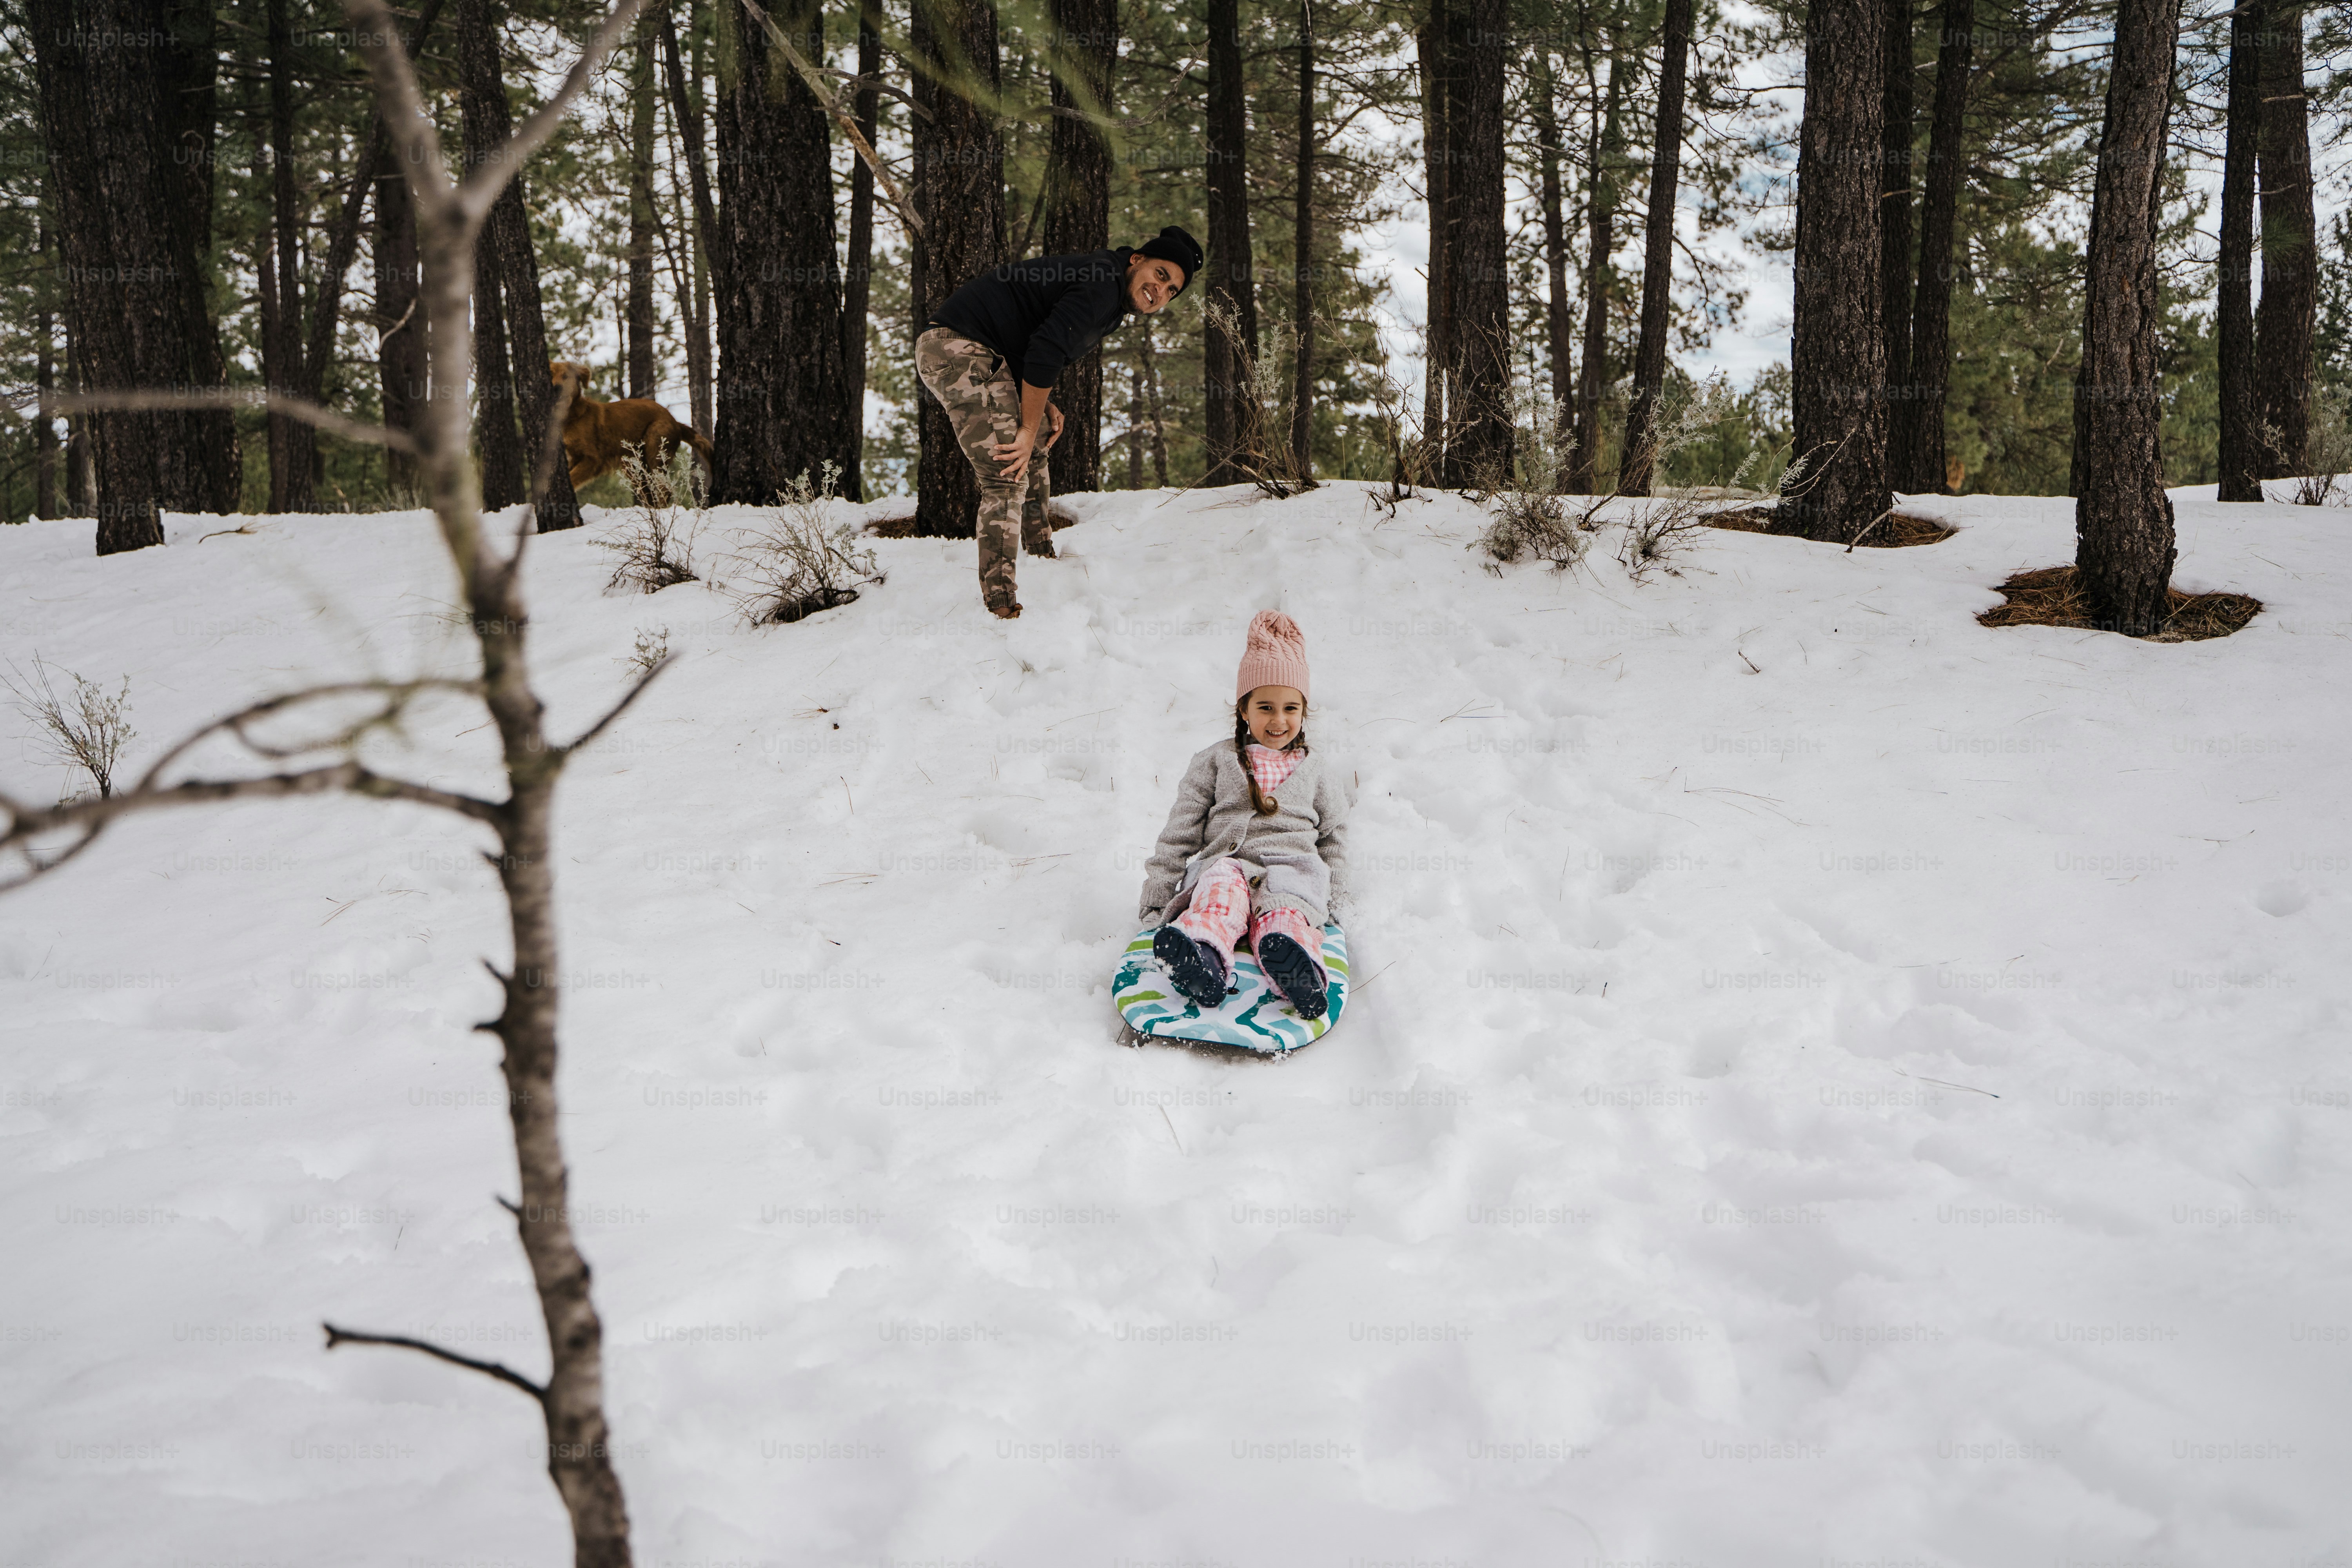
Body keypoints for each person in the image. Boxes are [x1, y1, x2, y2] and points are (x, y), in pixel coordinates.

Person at [915, 225, 1204, 619]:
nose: (1161, 292)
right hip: (956, 348)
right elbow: (1046, 348)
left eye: (1172, 291)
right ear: (1137, 260)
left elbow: (1032, 336)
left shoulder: (1110, 293)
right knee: (1007, 469)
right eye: (1161, 275)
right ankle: (1001, 607)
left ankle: (1041, 554)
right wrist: (1026, 427)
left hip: (984, 353)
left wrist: (1041, 406)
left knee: (1037, 440)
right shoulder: (1103, 282)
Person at [1136, 611, 1352, 1019]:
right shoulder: (1214, 761)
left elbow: (1335, 837)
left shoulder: (1319, 770)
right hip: (1227, 866)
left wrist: (1333, 900)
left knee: (1286, 914)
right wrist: (1159, 895)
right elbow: (1179, 833)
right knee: (1217, 899)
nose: (1278, 720)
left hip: (1293, 869)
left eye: (1291, 708)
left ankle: (1296, 967)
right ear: (1243, 709)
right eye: (1265, 707)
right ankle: (1201, 959)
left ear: (1304, 711)